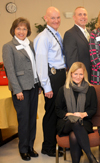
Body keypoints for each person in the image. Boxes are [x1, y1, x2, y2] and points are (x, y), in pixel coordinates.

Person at [2, 17, 40, 161]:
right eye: (18, 28)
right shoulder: (8, 46)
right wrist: (17, 90)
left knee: (32, 119)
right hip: (21, 89)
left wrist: (39, 84)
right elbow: (10, 71)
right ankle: (23, 149)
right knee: (24, 120)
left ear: (28, 31)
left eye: (24, 28)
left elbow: (35, 66)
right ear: (13, 30)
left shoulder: (30, 44)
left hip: (34, 86)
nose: (21, 31)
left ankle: (30, 146)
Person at [34, 6, 66, 157]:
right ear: (45, 18)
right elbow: (41, 64)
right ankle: (48, 147)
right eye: (52, 18)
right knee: (51, 113)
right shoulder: (43, 37)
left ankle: (57, 143)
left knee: (58, 112)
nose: (56, 20)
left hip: (60, 76)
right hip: (51, 77)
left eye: (58, 17)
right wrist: (46, 87)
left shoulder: (56, 34)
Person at [55, 62, 97, 163]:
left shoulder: (90, 89)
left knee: (74, 135)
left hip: (84, 122)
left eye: (81, 74)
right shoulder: (63, 89)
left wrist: (83, 114)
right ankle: (90, 156)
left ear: (84, 75)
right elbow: (57, 109)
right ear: (71, 74)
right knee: (74, 122)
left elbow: (93, 109)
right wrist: (67, 114)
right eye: (75, 74)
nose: (78, 77)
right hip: (66, 123)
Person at [64, 7, 91, 80]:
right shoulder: (70, 34)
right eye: (80, 14)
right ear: (74, 17)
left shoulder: (91, 33)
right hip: (81, 76)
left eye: (85, 14)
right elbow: (72, 59)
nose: (83, 17)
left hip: (93, 75)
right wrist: (78, 76)